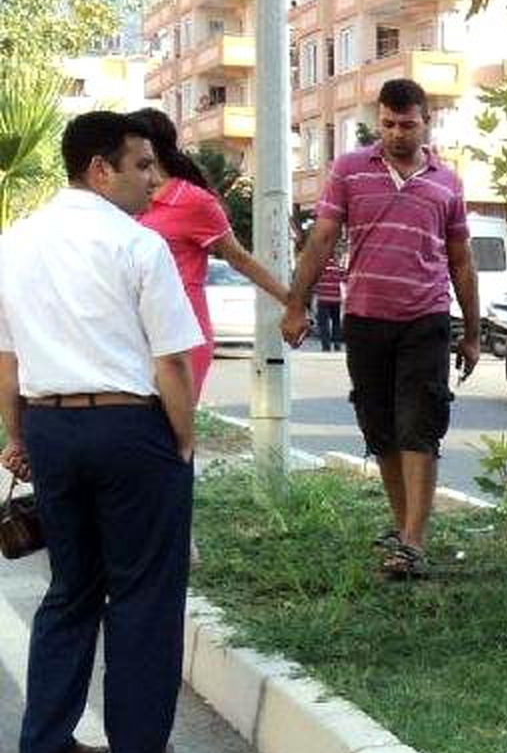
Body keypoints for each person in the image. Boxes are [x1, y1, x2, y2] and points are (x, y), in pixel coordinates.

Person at [0, 111, 202, 753]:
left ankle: (45, 742)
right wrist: (183, 441)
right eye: (142, 165)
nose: (154, 180)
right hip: (130, 429)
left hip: (51, 427)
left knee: (70, 587)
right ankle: (139, 750)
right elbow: (171, 363)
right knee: (145, 590)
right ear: (99, 169)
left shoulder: (14, 241)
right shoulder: (137, 244)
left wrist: (17, 436)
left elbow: (6, 360)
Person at [281, 78, 480, 581]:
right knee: (381, 429)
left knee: (421, 426)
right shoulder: (348, 170)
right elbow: (322, 238)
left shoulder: (447, 182)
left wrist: (473, 332)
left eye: (406, 124)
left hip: (426, 317)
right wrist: (296, 305)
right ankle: (403, 528)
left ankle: (413, 540)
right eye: (388, 124)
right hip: (366, 318)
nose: (396, 133)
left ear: (426, 121)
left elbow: (461, 259)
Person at [129, 108, 289, 398]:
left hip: (181, 335)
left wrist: (292, 300)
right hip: (131, 334)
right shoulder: (125, 196)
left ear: (150, 146)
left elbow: (238, 258)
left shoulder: (193, 201)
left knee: (172, 435)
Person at [314, 251, 345, 352]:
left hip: (323, 299)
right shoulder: (338, 268)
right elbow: (345, 278)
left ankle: (326, 346)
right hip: (336, 300)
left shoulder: (319, 268)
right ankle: (337, 344)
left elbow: (313, 282)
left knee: (324, 324)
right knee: (336, 323)